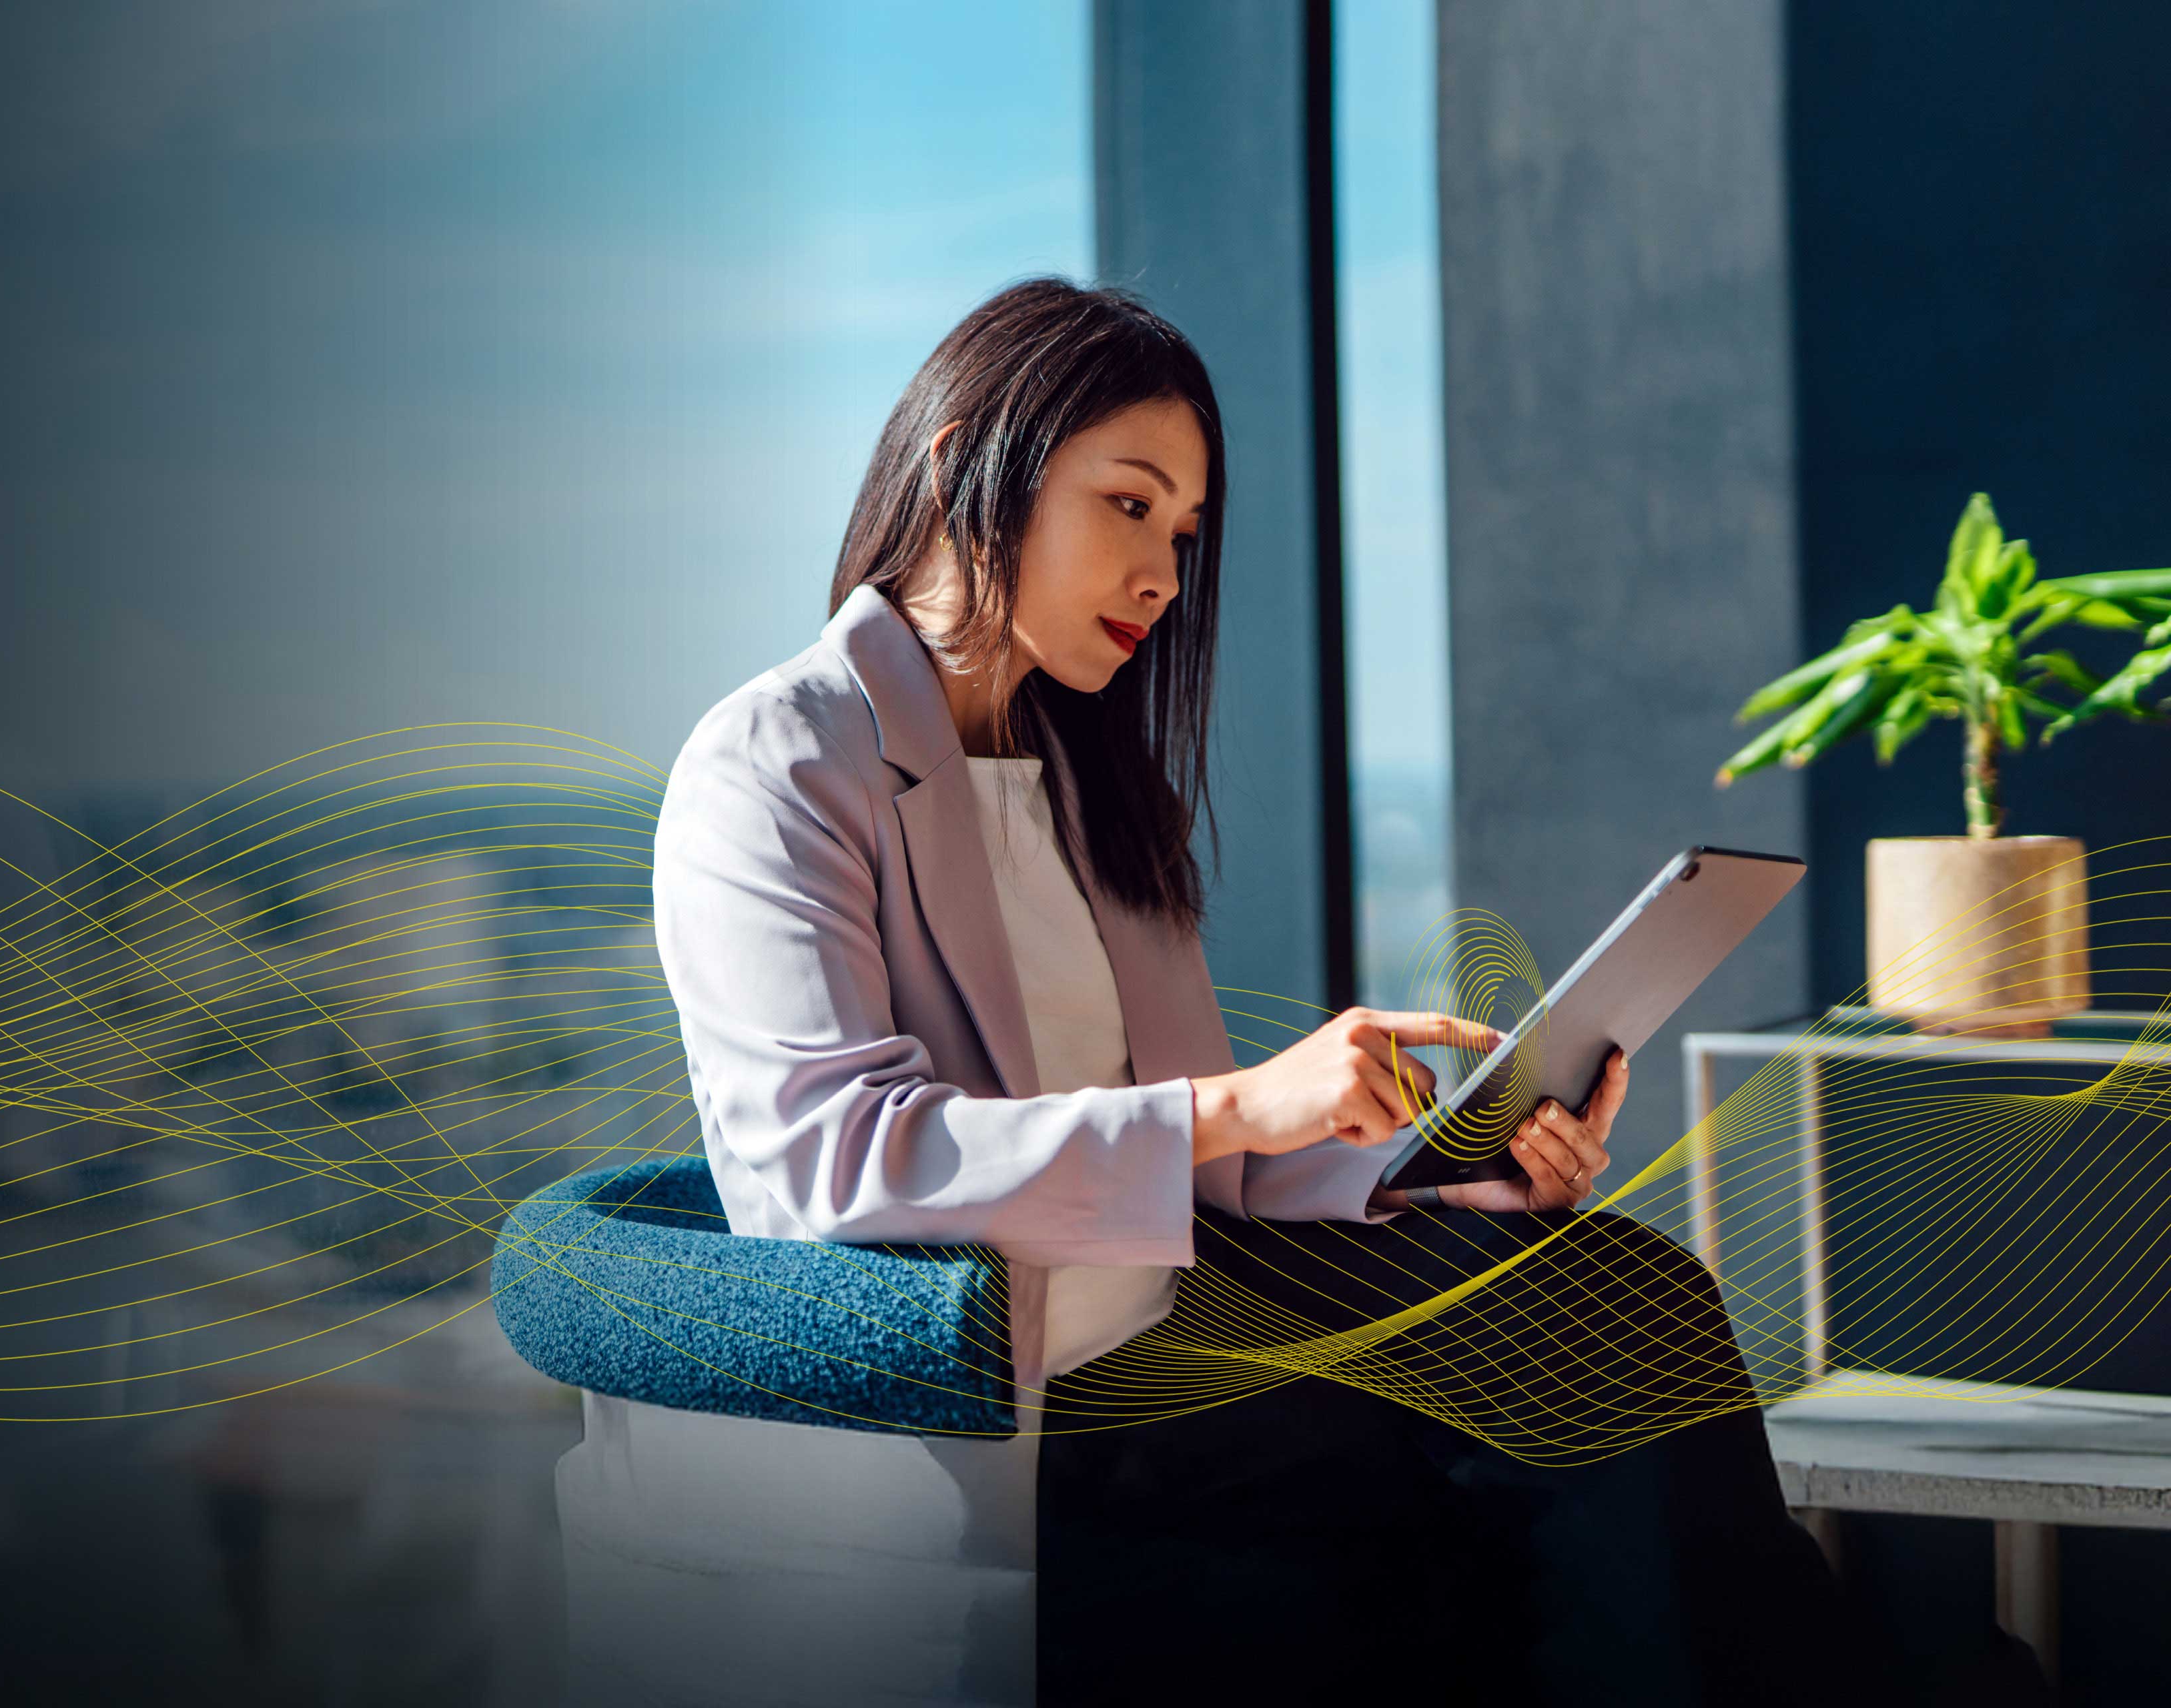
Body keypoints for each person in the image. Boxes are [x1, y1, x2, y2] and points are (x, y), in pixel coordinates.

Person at [649, 278, 1972, 1706]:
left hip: (1193, 1314)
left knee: (1619, 1292)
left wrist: (1436, 1167)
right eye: (1130, 505)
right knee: (1602, 1513)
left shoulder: (1086, 783)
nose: (1164, 572)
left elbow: (1211, 1170)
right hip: (1039, 1395)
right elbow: (826, 1159)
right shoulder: (779, 761)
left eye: (1186, 533)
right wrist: (1234, 1100)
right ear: (964, 454)